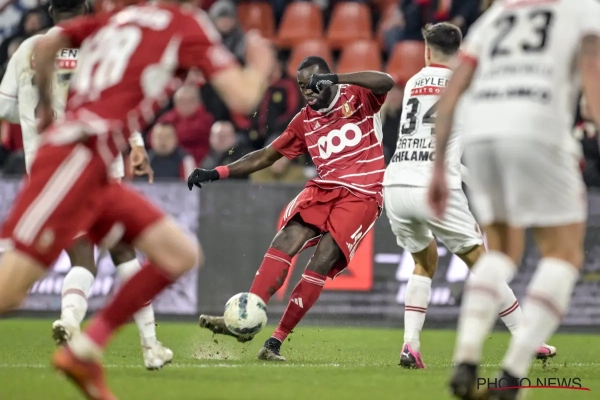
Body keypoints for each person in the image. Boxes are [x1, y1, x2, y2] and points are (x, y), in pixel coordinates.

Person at [0, 0, 275, 398]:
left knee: (178, 254)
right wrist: (262, 64)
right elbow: (244, 97)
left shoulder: (121, 16)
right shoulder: (186, 24)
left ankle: (85, 351)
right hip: (73, 159)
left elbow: (46, 47)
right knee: (9, 292)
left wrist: (44, 112)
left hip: (96, 168)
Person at [428, 1, 600, 399]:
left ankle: (466, 359)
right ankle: (512, 374)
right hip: (538, 128)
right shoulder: (583, 7)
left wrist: (437, 168)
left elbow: (454, 89)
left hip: (481, 136)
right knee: (563, 254)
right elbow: (592, 66)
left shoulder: (497, 13)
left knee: (502, 250)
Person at [0, 0, 176, 370]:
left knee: (81, 255)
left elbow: (6, 109)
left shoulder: (28, 50)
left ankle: (69, 319)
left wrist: (33, 113)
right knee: (126, 253)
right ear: (88, 7)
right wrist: (137, 145)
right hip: (98, 167)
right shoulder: (98, 44)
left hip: (46, 173)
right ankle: (151, 345)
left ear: (51, 12)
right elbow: (120, 102)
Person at [189, 56, 395, 361]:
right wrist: (217, 172)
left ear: (325, 79)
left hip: (362, 194)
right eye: (301, 86)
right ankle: (246, 319)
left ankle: (275, 341)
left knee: (322, 260)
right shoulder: (304, 120)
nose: (306, 90)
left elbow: (386, 82)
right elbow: (265, 156)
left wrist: (337, 78)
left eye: (312, 83)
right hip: (325, 188)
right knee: (285, 239)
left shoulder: (358, 96)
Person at [383, 22, 555, 370]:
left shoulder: (413, 82)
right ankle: (524, 336)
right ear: (459, 53)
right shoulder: (465, 86)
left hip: (396, 183)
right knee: (482, 261)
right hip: (433, 187)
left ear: (426, 51)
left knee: (424, 262)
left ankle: (410, 345)